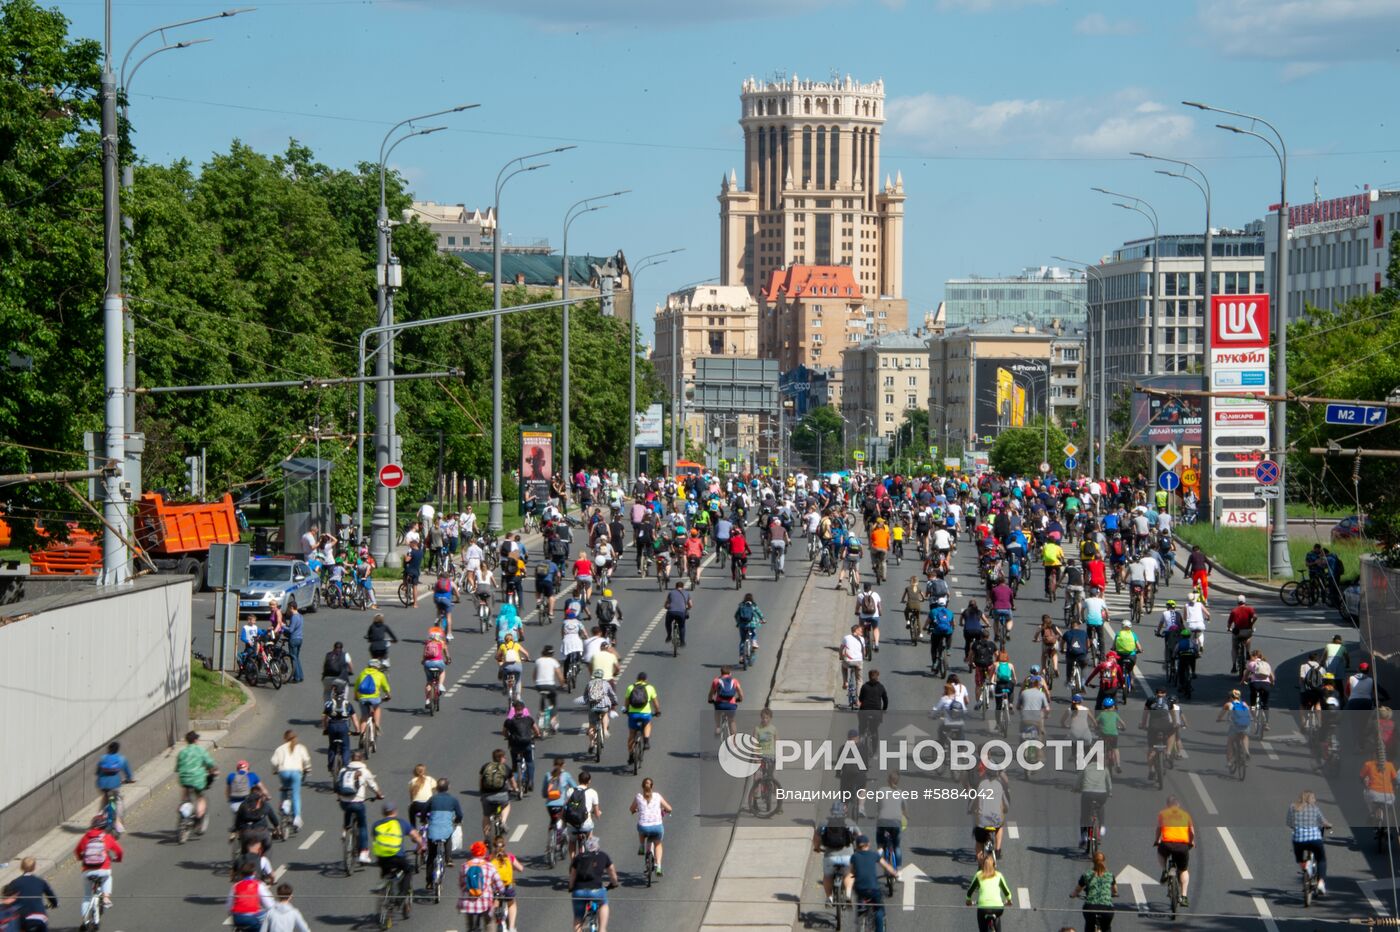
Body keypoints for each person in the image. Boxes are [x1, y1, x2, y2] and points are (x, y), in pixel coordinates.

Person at [568, 834, 619, 932]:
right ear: (597, 847)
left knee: (578, 918)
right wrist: (614, 883)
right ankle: (602, 929)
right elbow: (611, 871)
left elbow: (573, 875)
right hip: (596, 890)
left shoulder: (578, 857)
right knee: (603, 904)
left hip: (579, 891)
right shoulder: (603, 856)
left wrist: (571, 887)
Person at [814, 801, 861, 905]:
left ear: (831, 811)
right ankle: (848, 894)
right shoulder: (850, 822)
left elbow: (816, 838)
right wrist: (858, 849)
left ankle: (829, 898)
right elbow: (859, 836)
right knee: (849, 874)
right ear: (844, 812)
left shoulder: (824, 823)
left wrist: (817, 848)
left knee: (827, 876)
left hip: (830, 857)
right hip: (847, 857)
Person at [1287, 789, 1331, 897]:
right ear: (1311, 799)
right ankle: (1320, 883)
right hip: (1314, 839)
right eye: (1314, 798)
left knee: (1300, 858)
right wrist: (1329, 825)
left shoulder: (1293, 807)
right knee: (1321, 859)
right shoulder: (1315, 809)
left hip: (1299, 840)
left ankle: (1305, 865)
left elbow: (1289, 822)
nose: (1315, 800)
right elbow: (1323, 822)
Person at [75, 814, 123, 913]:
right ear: (104, 826)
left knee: (87, 896)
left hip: (87, 870)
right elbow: (119, 851)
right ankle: (106, 898)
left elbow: (77, 851)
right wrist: (117, 859)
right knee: (108, 877)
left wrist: (81, 858)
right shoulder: (107, 837)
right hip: (103, 869)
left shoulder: (86, 837)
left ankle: (85, 919)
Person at [849, 833, 897, 932]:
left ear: (857, 846)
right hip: (873, 889)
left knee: (860, 902)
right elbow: (886, 866)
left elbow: (851, 871)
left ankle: (860, 916)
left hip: (860, 889)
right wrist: (895, 873)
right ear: (868, 844)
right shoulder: (874, 855)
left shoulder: (854, 857)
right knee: (879, 910)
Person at [1154, 795, 1195, 908]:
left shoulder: (1163, 814)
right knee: (1183, 870)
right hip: (1182, 846)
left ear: (1168, 805)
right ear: (1178, 805)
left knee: (1160, 853)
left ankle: (1164, 871)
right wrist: (1191, 842)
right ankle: (1184, 896)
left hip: (1166, 844)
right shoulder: (1186, 815)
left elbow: (1159, 829)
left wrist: (1157, 840)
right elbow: (1192, 832)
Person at [175, 730, 218, 834]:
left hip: (184, 778)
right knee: (200, 798)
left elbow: (177, 768)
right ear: (195, 740)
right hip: (197, 779)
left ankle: (182, 807)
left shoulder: (182, 752)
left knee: (185, 792)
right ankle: (198, 819)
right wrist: (214, 770)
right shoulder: (200, 750)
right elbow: (210, 763)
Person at [458, 840, 507, 927]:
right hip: (485, 902)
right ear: (484, 853)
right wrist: (501, 891)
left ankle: (471, 928)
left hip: (467, 903)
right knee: (490, 923)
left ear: (472, 853)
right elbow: (499, 885)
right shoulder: (489, 866)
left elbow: (461, 884)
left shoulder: (465, 866)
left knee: (470, 924)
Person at [630, 777, 673, 875]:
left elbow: (631, 809)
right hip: (657, 827)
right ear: (652, 786)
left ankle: (641, 846)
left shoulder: (638, 797)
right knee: (658, 844)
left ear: (642, 786)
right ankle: (658, 866)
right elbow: (669, 808)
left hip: (643, 827)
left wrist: (635, 810)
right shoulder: (657, 796)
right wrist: (667, 810)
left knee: (640, 826)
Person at [270, 730, 311, 830]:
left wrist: (275, 770)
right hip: (296, 772)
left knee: (284, 789)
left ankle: (285, 806)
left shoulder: (280, 749)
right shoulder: (301, 748)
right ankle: (297, 817)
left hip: (283, 772)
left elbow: (274, 761)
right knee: (295, 795)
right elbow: (306, 760)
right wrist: (307, 769)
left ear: (285, 738)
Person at [423, 778, 463, 874]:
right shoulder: (453, 800)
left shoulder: (432, 799)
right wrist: (457, 821)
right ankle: (448, 858)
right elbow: (460, 815)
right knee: (448, 837)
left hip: (433, 830)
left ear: (437, 788)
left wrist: (423, 820)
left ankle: (429, 882)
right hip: (446, 829)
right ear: (448, 787)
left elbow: (424, 811)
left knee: (431, 855)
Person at [1071, 851, 1119, 931]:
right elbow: (1115, 890)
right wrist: (1115, 893)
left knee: (1089, 927)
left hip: (1090, 908)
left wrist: (1073, 895)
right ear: (1104, 861)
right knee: (1106, 928)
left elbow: (1077, 890)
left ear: (1093, 861)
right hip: (1107, 910)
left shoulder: (1087, 874)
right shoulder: (1110, 875)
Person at [965, 854, 1012, 932]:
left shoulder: (978, 875)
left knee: (982, 927)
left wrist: (968, 901)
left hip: (983, 908)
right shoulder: (998, 875)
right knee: (997, 916)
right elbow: (1007, 892)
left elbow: (970, 892)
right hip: (998, 908)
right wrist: (1009, 901)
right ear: (994, 865)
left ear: (983, 865)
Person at [94, 741, 133, 834]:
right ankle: (118, 822)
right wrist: (129, 779)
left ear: (108, 749)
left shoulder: (102, 758)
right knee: (118, 800)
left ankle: (99, 817)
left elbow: (97, 772)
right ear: (117, 749)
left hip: (102, 784)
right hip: (115, 784)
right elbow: (128, 773)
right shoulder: (122, 759)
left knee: (105, 798)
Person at [478, 748, 517, 839]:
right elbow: (513, 782)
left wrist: (482, 792)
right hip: (502, 796)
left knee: (486, 815)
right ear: (501, 758)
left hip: (487, 796)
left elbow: (480, 781)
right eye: (504, 757)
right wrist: (516, 789)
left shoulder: (485, 766)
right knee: (507, 804)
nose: (505, 759)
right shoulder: (505, 768)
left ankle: (487, 837)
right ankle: (503, 821)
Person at [488, 834, 524, 932]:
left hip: (495, 889)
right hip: (507, 887)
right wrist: (513, 868)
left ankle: (495, 924)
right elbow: (521, 868)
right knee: (512, 904)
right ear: (504, 846)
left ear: (494, 846)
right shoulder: (509, 857)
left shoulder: (490, 859)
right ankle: (511, 927)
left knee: (494, 905)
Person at [227, 860, 274, 930]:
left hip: (237, 918)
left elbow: (229, 905)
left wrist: (233, 914)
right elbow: (269, 904)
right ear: (254, 873)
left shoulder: (236, 885)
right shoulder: (258, 884)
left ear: (241, 874)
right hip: (251, 918)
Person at [356, 658, 391, 737]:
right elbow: (386, 688)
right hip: (374, 698)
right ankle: (377, 726)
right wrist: (388, 696)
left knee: (364, 717)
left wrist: (356, 697)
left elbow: (356, 687)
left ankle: (362, 734)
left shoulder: (362, 673)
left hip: (362, 698)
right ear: (378, 667)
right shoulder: (380, 675)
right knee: (377, 708)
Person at [708, 666, 742, 738]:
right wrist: (740, 699)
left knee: (717, 713)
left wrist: (710, 700)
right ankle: (734, 739)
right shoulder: (734, 680)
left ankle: (718, 727)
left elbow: (711, 693)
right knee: (732, 721)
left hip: (720, 704)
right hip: (731, 705)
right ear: (730, 673)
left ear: (721, 672)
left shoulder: (716, 681)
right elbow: (740, 692)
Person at [735, 592, 764, 659]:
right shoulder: (754, 605)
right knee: (754, 634)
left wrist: (738, 622)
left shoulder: (741, 605)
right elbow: (759, 613)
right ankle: (754, 642)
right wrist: (763, 619)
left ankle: (741, 657)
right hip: (752, 624)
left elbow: (736, 615)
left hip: (742, 625)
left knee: (742, 640)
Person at [856, 581, 883, 652]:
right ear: (871, 588)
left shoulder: (860, 595)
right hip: (874, 616)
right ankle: (876, 644)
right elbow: (879, 606)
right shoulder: (876, 594)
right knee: (875, 628)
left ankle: (862, 645)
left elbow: (858, 606)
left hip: (864, 617)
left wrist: (856, 612)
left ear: (864, 588)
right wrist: (880, 613)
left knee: (861, 627)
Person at [663, 581, 691, 646]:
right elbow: (691, 605)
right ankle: (682, 641)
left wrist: (666, 607)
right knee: (682, 626)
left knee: (668, 623)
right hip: (681, 613)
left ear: (676, 587)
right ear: (683, 587)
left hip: (671, 612)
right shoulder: (687, 593)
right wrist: (687, 608)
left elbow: (666, 603)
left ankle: (669, 635)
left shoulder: (671, 592)